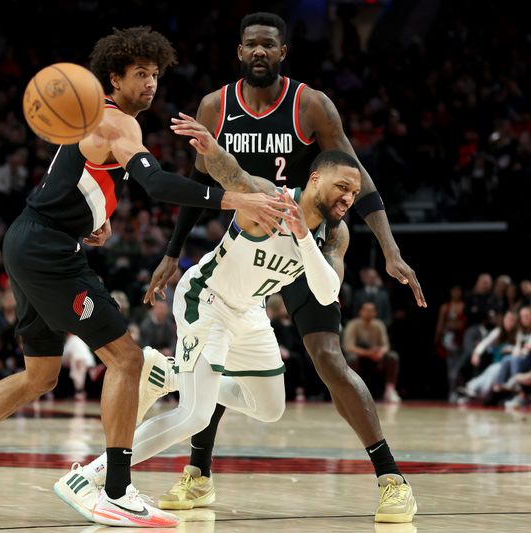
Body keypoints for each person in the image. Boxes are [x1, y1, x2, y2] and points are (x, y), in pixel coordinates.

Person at [0, 26, 286, 528]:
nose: (150, 84)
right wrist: (236, 198)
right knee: (126, 359)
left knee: (40, 375)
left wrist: (93, 220)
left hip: (32, 238)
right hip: (47, 249)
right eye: (140, 74)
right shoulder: (117, 122)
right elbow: (156, 184)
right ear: (114, 77)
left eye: (155, 75)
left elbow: (76, 179)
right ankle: (116, 490)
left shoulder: (95, 120)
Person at [141, 13, 424, 524]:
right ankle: (198, 475)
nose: (259, 53)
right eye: (251, 44)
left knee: (328, 357)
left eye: (268, 45)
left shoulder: (310, 104)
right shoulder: (215, 106)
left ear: (282, 52)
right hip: (249, 243)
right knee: (221, 350)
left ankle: (391, 479)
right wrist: (171, 252)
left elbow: (353, 174)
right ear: (239, 50)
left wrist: (390, 247)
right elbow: (198, 183)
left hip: (308, 242)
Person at [54, 138, 389, 517]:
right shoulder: (270, 199)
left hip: (250, 313)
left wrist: (301, 236)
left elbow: (327, 292)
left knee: (269, 408)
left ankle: (168, 373)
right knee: (195, 415)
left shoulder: (334, 235)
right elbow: (234, 174)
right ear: (315, 179)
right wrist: (211, 150)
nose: (349, 197)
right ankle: (92, 475)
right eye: (342, 187)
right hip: (207, 300)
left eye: (355, 192)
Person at [342, 301, 402, 403]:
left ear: (375, 313)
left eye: (372, 311)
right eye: (367, 310)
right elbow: (349, 347)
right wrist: (368, 353)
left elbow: (385, 345)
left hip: (376, 358)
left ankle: (390, 390)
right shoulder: (353, 324)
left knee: (393, 356)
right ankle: (352, 390)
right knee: (351, 358)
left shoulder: (379, 325)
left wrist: (380, 352)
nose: (369, 313)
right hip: (360, 358)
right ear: (361, 312)